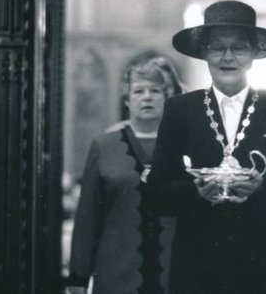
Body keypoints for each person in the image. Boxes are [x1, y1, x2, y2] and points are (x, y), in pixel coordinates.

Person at [147, 0, 266, 294]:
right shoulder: (180, 110)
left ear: (254, 53)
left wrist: (263, 186)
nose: (227, 57)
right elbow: (157, 192)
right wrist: (194, 192)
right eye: (217, 47)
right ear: (204, 52)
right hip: (199, 269)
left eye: (238, 47)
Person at [66, 57, 183, 294]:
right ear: (127, 99)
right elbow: (88, 217)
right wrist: (79, 276)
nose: (147, 97)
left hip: (174, 275)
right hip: (116, 274)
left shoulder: (183, 146)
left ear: (166, 97)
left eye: (155, 91)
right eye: (139, 91)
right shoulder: (104, 145)